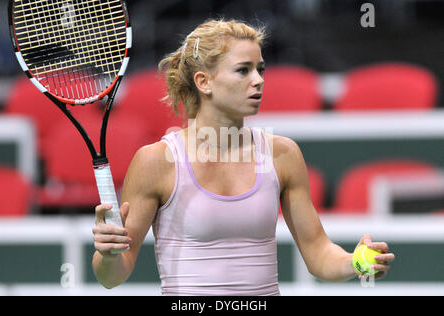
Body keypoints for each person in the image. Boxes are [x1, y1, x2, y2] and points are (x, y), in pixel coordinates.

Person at [92, 19, 395, 295]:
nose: (259, 80)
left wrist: (355, 262)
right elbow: (112, 276)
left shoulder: (282, 154)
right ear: (203, 82)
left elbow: (318, 254)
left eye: (260, 69)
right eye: (243, 70)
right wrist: (108, 254)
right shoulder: (156, 161)